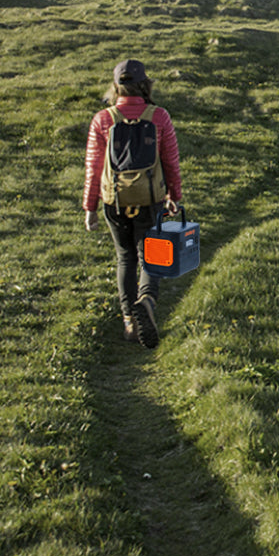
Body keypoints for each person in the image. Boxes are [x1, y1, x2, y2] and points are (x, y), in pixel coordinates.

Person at [83, 58, 182, 346]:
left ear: (116, 86)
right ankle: (147, 301)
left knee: (125, 257)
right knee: (152, 254)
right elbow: (171, 161)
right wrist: (174, 196)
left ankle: (129, 322)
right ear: (145, 84)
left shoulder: (103, 119)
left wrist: (90, 207)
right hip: (150, 198)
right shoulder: (159, 116)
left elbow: (93, 167)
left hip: (114, 199)